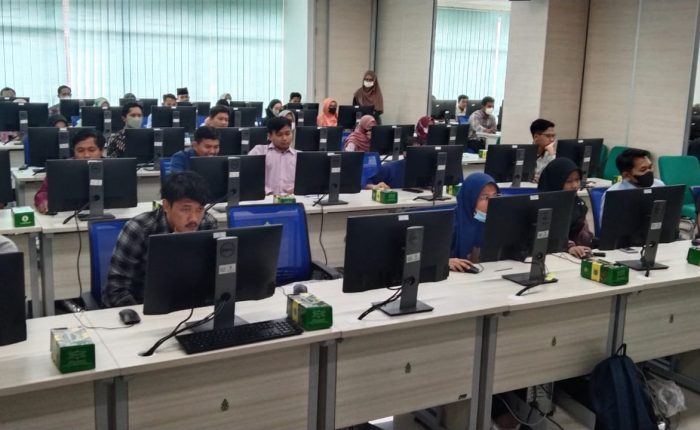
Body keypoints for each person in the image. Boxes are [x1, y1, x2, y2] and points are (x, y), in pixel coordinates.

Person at [102, 171, 218, 307]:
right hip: (141, 305)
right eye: (185, 209)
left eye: (200, 209)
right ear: (166, 206)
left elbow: (212, 277)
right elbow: (117, 288)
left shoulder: (207, 224)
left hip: (190, 306)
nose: (194, 218)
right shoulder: (140, 228)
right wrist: (138, 315)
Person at [34, 128, 105, 214]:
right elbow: (43, 192)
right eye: (80, 151)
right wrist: (43, 201)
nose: (86, 155)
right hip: (66, 215)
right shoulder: (61, 168)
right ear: (73, 151)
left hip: (110, 213)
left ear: (101, 151)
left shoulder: (114, 167)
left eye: (91, 150)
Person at [537, 158, 594, 258]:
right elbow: (545, 239)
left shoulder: (578, 204)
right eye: (569, 181)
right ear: (555, 182)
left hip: (572, 258)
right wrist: (568, 247)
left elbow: (584, 235)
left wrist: (590, 243)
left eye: (577, 180)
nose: (575, 185)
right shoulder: (541, 207)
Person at [449, 172, 499, 272]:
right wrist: (446, 261)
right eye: (485, 197)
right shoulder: (450, 224)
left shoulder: (499, 224)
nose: (492, 202)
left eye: (495, 196)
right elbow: (428, 257)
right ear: (470, 197)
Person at [601, 148, 665, 215]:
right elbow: (608, 221)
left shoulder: (659, 185)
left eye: (650, 167)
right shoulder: (613, 195)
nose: (649, 171)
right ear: (626, 175)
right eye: (643, 170)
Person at [248, 116, 297, 195]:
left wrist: (297, 190)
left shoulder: (299, 156)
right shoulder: (259, 151)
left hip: (293, 198)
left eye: (288, 134)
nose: (284, 138)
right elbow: (248, 177)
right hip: (265, 198)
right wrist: (265, 191)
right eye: (279, 135)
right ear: (270, 136)